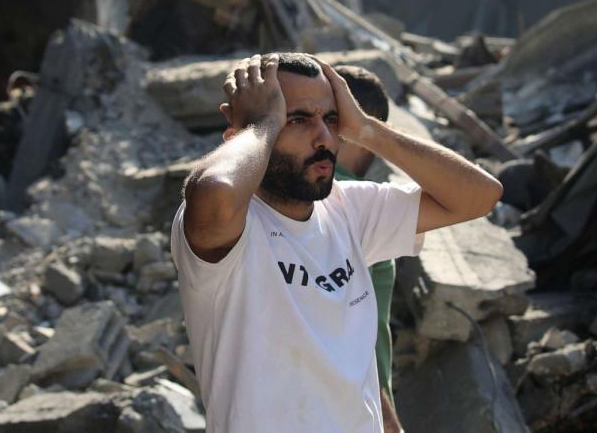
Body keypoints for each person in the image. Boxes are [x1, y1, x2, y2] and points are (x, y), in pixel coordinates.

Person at [171, 53, 502, 433]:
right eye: (296, 119)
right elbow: (213, 190)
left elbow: (480, 196)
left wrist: (364, 129)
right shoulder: (233, 229)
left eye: (330, 119)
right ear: (241, 135)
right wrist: (262, 122)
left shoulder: (351, 210)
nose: (324, 138)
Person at [332, 65, 402, 433]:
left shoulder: (295, 197)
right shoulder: (353, 205)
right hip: (356, 414)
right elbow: (338, 329)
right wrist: (389, 424)